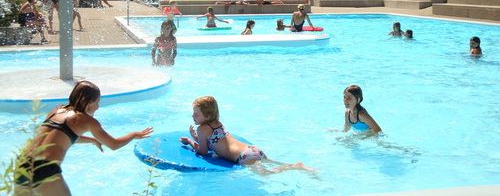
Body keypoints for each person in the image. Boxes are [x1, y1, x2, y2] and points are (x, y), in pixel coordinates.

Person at [14, 81, 153, 195]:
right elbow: (114, 145)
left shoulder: (57, 110)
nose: (98, 107)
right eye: (97, 102)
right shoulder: (87, 121)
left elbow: (62, 136)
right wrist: (133, 135)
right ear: (87, 101)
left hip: (23, 162)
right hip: (44, 168)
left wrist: (92, 140)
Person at [179, 96, 316, 174]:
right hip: (251, 149)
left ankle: (296, 166)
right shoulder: (217, 123)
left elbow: (203, 151)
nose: (193, 116)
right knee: (271, 163)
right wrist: (195, 137)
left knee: (266, 174)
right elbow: (213, 143)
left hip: (243, 157)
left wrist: (190, 142)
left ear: (207, 115)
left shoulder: (202, 129)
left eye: (196, 113)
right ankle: (293, 165)